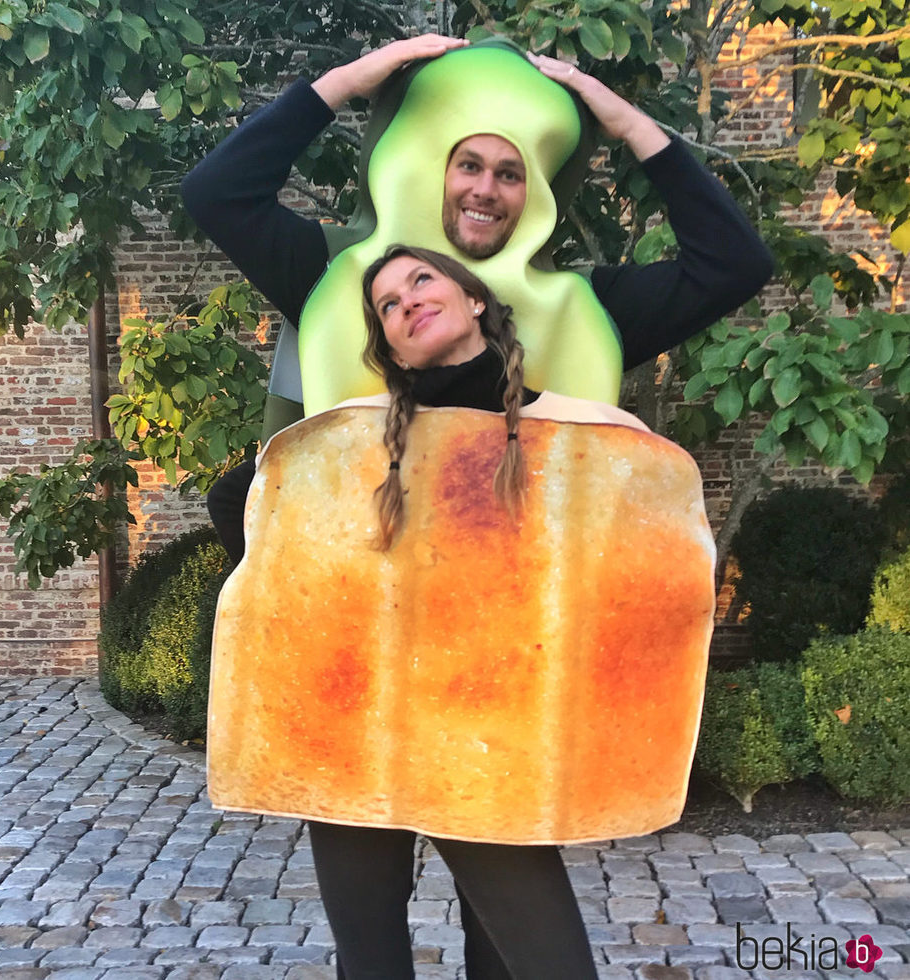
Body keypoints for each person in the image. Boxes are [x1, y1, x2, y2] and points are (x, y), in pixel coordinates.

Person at [180, 35, 773, 566]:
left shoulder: (583, 308)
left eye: (509, 173)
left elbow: (733, 264)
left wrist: (627, 124)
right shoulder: (339, 270)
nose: (484, 189)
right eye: (469, 165)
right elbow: (216, 194)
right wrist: (348, 82)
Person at [308, 244, 602, 979]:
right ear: (391, 347)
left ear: (474, 300)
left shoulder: (570, 434)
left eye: (421, 280)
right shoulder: (354, 435)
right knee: (371, 962)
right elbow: (241, 507)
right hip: (361, 732)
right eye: (386, 304)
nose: (405, 300)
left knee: (534, 965)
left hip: (487, 734)